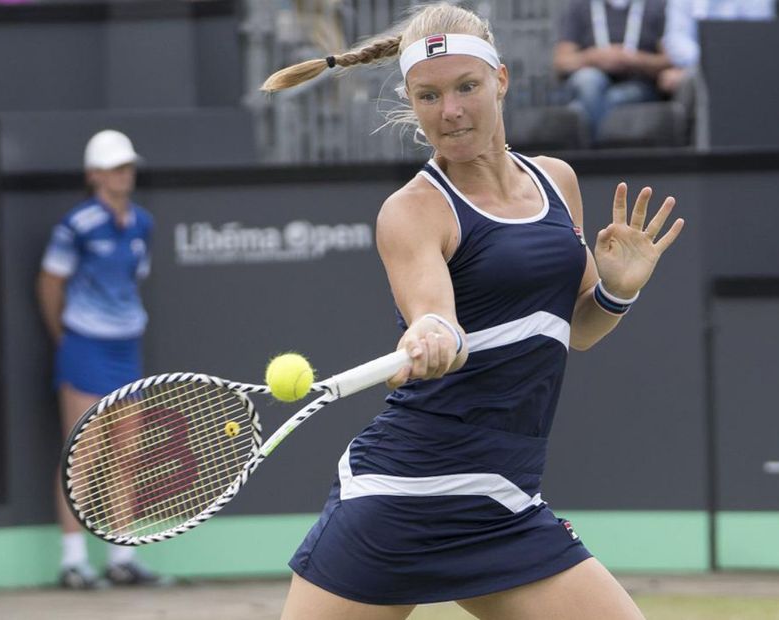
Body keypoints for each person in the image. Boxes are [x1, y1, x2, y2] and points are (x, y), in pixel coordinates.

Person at [261, 3, 684, 618]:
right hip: (400, 497)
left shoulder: (556, 182)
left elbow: (580, 331)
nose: (451, 111)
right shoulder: (412, 211)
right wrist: (433, 334)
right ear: (410, 100)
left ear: (501, 80)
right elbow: (434, 315)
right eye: (429, 96)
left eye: (467, 87)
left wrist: (618, 290)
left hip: (502, 498)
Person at [37, 129, 166, 590]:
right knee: (81, 454)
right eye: (115, 167)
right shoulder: (76, 226)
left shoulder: (142, 223)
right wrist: (69, 338)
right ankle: (73, 562)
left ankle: (122, 558)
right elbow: (50, 285)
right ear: (94, 176)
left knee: (127, 453)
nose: (124, 174)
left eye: (128, 166)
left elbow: (134, 279)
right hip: (84, 347)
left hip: (125, 347)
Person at [552, 0, 673, 141]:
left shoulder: (656, 6)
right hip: (593, 78)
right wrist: (592, 58)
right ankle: (603, 151)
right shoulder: (581, 6)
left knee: (587, 106)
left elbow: (671, 61)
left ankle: (594, 153)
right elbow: (561, 62)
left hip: (638, 84)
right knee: (587, 80)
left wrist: (635, 60)